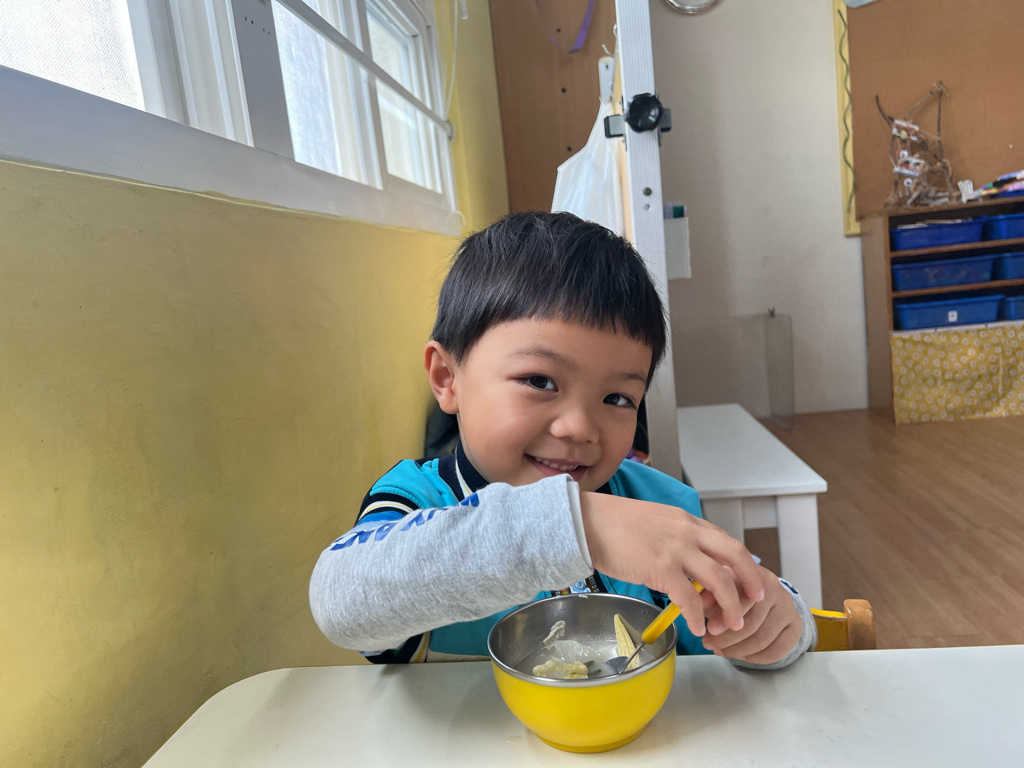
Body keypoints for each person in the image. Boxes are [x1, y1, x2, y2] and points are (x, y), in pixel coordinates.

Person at [310, 212, 816, 668]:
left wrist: (771, 624)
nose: (579, 427)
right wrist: (579, 527)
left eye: (617, 398)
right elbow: (341, 601)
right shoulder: (418, 501)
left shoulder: (656, 505)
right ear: (447, 378)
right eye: (539, 381)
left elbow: (757, 604)